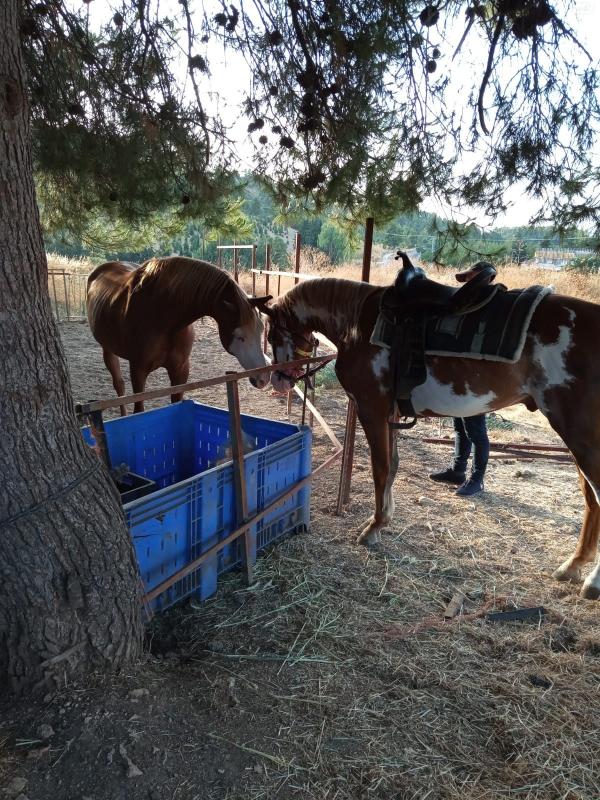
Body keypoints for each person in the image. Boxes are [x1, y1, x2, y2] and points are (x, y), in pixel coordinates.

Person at [429, 261, 495, 498]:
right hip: (460, 374)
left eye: (471, 278)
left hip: (475, 378)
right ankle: (458, 470)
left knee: (476, 430)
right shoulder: (467, 305)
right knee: (460, 426)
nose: (467, 283)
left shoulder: (487, 306)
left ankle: (477, 479)